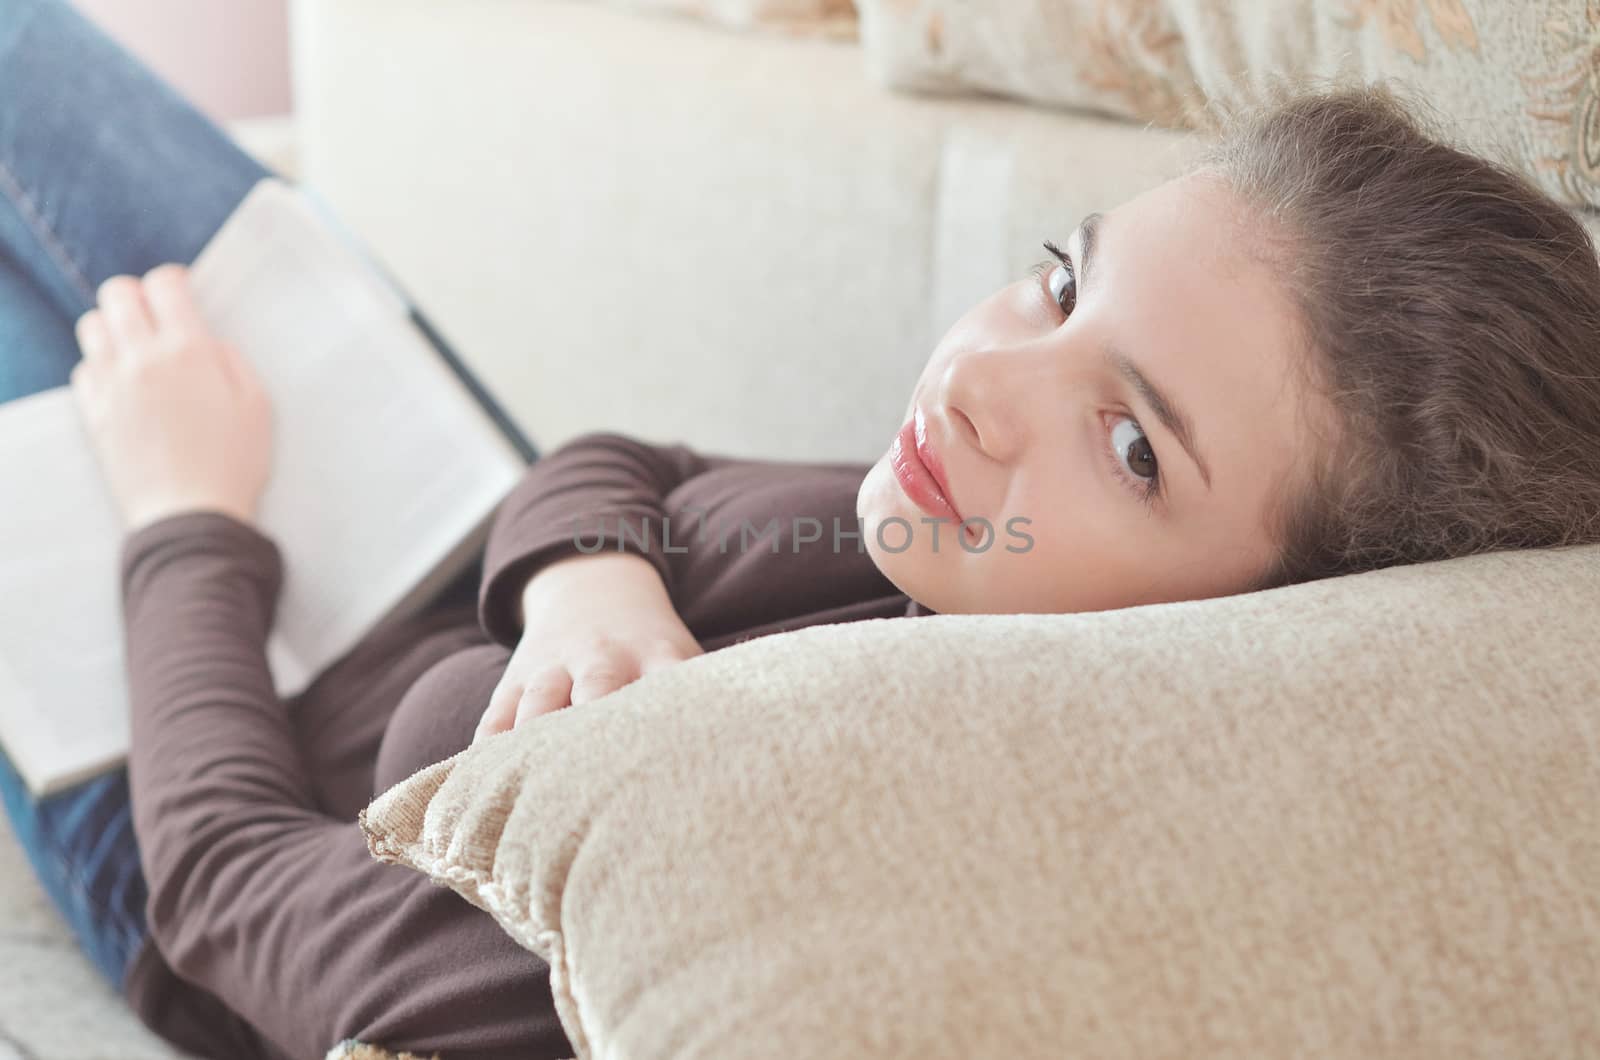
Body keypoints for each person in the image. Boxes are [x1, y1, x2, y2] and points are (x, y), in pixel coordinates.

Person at [4, 0, 1600, 1055]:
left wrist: (188, 511)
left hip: (189, 757)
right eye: (1059, 274)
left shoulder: (767, 860)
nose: (982, 377)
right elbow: (629, 457)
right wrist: (584, 581)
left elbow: (222, 894)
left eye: (1129, 443)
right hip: (419, 514)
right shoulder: (950, 542)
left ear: (1263, 638)